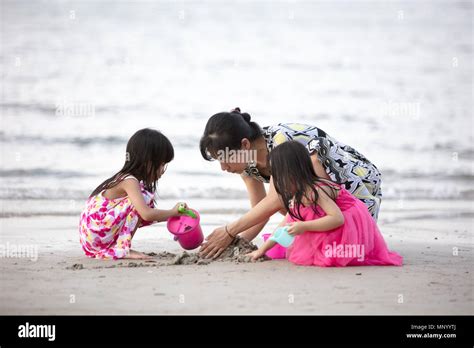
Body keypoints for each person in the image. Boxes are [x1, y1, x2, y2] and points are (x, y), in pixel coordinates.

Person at [199, 107, 383, 259]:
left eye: (225, 158)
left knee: (283, 194)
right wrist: (235, 242)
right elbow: (261, 211)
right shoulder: (246, 163)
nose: (223, 167)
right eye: (218, 160)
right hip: (322, 200)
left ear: (245, 144)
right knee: (286, 197)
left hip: (357, 191)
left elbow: (273, 202)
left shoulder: (281, 142)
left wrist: (228, 231)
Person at [245, 141, 402, 267]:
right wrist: (263, 250)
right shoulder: (296, 194)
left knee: (330, 256)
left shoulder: (316, 190)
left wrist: (304, 227)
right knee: (301, 230)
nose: (275, 181)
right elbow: (284, 225)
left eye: (277, 176)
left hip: (348, 220)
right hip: (328, 217)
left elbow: (337, 219)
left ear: (292, 173)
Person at [79, 128, 188, 260]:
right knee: (144, 201)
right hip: (96, 233)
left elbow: (148, 215)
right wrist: (173, 212)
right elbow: (146, 214)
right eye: (161, 164)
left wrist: (175, 216)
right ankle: (122, 249)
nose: (163, 170)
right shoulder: (130, 181)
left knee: (144, 199)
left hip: (92, 236)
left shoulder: (126, 179)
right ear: (147, 161)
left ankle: (120, 247)